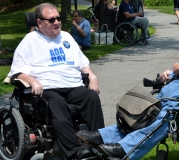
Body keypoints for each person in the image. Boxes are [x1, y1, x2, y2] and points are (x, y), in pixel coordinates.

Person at [75, 19, 179, 159]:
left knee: (163, 119)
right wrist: (168, 75)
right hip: (174, 91)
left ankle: (124, 148)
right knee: (142, 113)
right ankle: (103, 136)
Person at [7, 3, 105, 160]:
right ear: (39, 22)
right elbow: (16, 72)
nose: (57, 22)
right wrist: (32, 81)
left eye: (58, 18)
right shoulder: (30, 41)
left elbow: (83, 64)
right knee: (57, 102)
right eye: (52, 20)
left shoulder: (66, 37)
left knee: (91, 97)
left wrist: (92, 77)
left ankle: (101, 145)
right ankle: (75, 151)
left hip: (72, 86)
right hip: (48, 88)